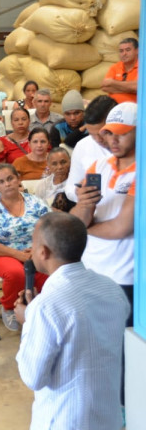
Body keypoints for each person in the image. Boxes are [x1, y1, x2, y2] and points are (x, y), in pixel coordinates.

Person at [14, 212, 129, 430]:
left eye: (33, 243)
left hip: (65, 420)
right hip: (108, 418)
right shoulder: (111, 289)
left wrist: (28, 322)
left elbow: (33, 377)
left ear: (43, 252)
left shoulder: (46, 306)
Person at [70, 101, 136, 326]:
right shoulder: (98, 166)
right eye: (109, 133)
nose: (112, 140)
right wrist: (84, 206)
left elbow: (121, 227)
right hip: (89, 270)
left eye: (122, 134)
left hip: (123, 277)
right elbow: (79, 217)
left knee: (121, 341)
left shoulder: (141, 170)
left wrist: (85, 227)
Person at [0, 164, 49, 331]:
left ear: (18, 179)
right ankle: (10, 307)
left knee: (49, 270)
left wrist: (37, 249)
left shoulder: (36, 202)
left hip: (34, 251)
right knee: (16, 273)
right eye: (1, 182)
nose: (7, 184)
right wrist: (18, 255)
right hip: (0, 252)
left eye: (10, 179)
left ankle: (40, 306)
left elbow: (51, 230)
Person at [63, 95, 118, 202]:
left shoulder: (133, 146)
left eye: (102, 133)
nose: (98, 139)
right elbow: (70, 187)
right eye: (92, 134)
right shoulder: (83, 146)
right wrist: (78, 192)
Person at [102, 37, 138, 104]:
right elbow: (105, 87)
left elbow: (138, 87)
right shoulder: (115, 67)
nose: (124, 53)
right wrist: (130, 88)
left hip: (133, 107)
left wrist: (113, 82)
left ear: (137, 51)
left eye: (128, 50)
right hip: (113, 107)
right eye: (121, 51)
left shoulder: (142, 68)